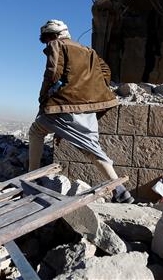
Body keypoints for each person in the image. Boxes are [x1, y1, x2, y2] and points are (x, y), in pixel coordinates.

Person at [28, 19, 134, 204]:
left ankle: (32, 177)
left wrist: (43, 96)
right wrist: (92, 91)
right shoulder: (89, 51)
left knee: (36, 131)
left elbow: (52, 73)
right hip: (87, 107)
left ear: (56, 35)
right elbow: (105, 71)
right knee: (91, 148)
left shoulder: (57, 44)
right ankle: (121, 191)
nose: (47, 42)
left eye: (48, 38)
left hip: (65, 104)